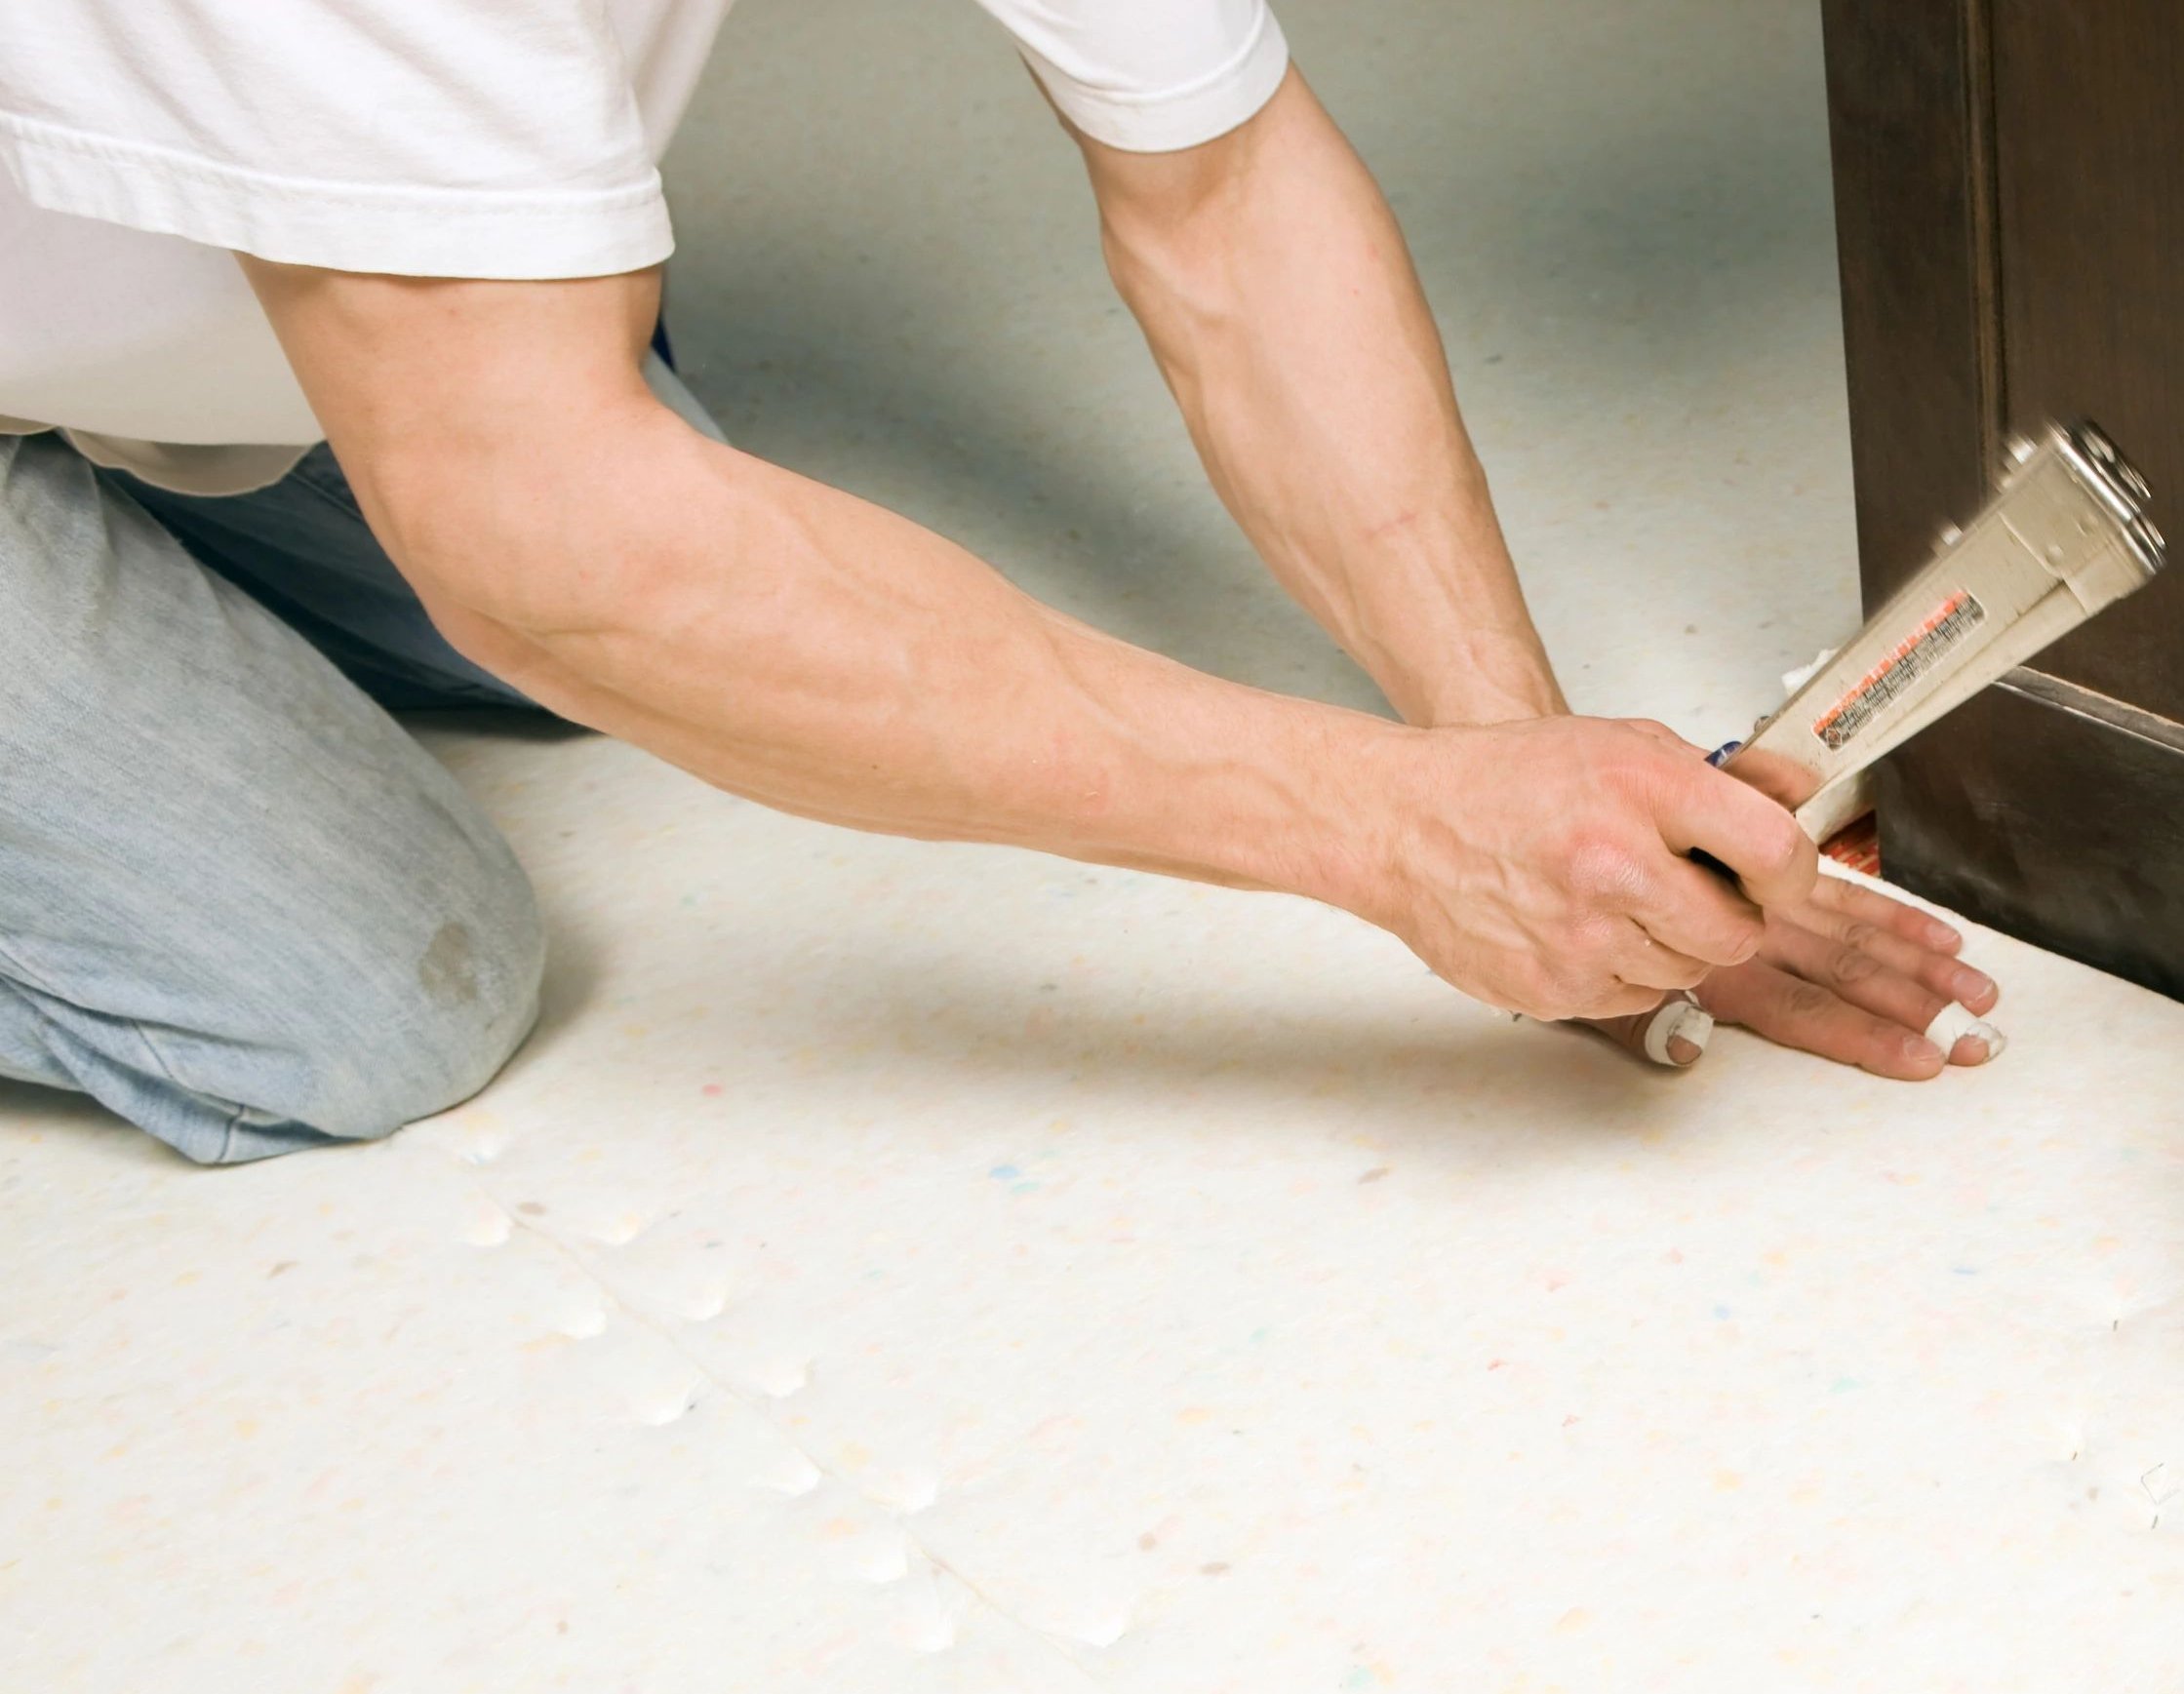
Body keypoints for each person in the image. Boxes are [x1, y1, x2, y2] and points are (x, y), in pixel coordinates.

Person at [0, 0, 2001, 1166]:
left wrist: (1524, 772)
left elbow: (1219, 196)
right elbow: (543, 543)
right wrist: (1404, 839)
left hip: (197, 311)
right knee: (364, 992)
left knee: (630, 599)